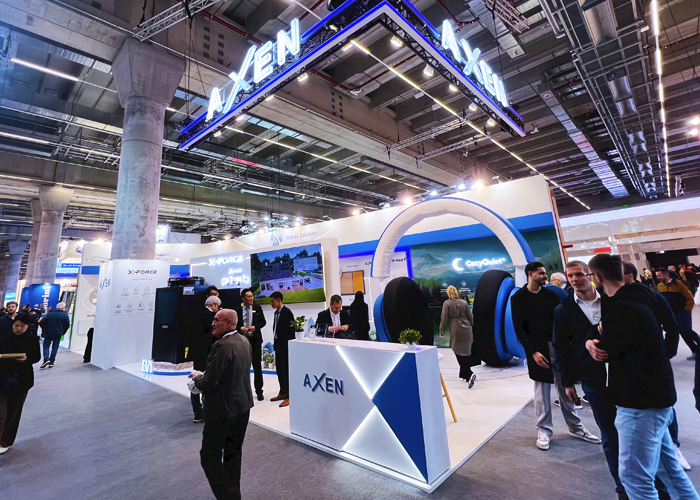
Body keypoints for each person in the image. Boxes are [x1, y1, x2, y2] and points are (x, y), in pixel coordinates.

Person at [555, 261, 676, 499]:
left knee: (644, 438)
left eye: (579, 274)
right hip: (594, 379)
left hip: (629, 376)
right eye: (570, 276)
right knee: (610, 437)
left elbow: (658, 327)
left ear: (592, 276)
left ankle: (656, 487)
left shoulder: (614, 299)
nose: (575, 279)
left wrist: (665, 355)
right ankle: (622, 489)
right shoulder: (563, 310)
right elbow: (561, 346)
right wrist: (567, 381)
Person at [587, 254, 699, 500]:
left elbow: (608, 351)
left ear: (596, 277)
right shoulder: (647, 296)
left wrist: (594, 340)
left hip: (638, 401)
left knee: (634, 477)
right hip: (657, 393)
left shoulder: (620, 308)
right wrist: (664, 356)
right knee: (669, 470)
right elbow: (670, 328)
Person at [511, 261, 601, 451]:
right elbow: (520, 328)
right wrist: (533, 352)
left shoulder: (551, 296)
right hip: (537, 351)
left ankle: (575, 427)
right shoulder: (518, 298)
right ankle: (544, 430)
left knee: (566, 388)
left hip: (558, 348)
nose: (546, 276)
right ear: (530, 274)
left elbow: (561, 324)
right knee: (542, 393)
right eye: (542, 273)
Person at [190, 309, 253, 500]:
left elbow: (209, 382)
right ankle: (234, 494)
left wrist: (197, 379)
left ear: (228, 323)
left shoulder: (222, 346)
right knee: (233, 454)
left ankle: (229, 496)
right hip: (242, 407)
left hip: (222, 411)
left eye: (216, 320)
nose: (212, 323)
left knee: (209, 456)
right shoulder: (244, 341)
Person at [0, 313, 41, 454]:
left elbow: (36, 357)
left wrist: (27, 359)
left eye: (22, 326)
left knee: (14, 412)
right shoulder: (3, 339)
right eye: (16, 325)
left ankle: (5, 441)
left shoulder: (32, 340)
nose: (18, 328)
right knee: (1, 413)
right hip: (3, 379)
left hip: (22, 381)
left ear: (27, 326)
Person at [188, 296, 221, 422]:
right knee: (207, 381)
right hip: (206, 355)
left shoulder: (197, 314)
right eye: (218, 306)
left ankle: (197, 411)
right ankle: (206, 411)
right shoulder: (209, 316)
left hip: (197, 354)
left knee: (196, 379)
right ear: (213, 304)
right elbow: (210, 337)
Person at [656, 268, 700, 360]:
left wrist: (686, 309)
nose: (657, 277)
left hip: (683, 311)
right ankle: (695, 350)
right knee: (682, 332)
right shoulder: (660, 286)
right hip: (672, 312)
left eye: (659, 275)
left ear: (666, 275)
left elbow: (689, 297)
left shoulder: (678, 284)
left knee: (685, 330)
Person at [439, 285, 476, 387]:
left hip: (456, 329)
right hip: (467, 328)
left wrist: (442, 330)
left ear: (448, 293)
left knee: (457, 350)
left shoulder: (447, 303)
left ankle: (469, 373)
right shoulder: (464, 302)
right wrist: (471, 326)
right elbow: (470, 316)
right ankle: (464, 374)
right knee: (465, 351)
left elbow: (444, 318)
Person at [236, 289, 266, 401]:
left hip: (255, 341)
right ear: (243, 299)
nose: (251, 298)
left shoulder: (257, 308)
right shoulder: (238, 311)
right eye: (248, 297)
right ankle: (244, 391)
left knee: (257, 366)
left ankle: (259, 391)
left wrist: (255, 327)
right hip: (242, 342)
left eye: (252, 296)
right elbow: (235, 324)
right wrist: (240, 328)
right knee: (243, 367)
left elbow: (263, 322)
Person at [270, 291, 294, 408]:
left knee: (286, 371)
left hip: (285, 346)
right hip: (278, 345)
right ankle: (282, 392)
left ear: (279, 300)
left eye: (272, 301)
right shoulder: (276, 313)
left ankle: (289, 395)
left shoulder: (287, 312)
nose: (271, 303)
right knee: (279, 370)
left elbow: (292, 331)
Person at [39, 302, 70, 368]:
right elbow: (67, 324)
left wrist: (45, 328)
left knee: (46, 346)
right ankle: (51, 361)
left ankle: (46, 359)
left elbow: (42, 322)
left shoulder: (50, 313)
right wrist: (63, 331)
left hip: (48, 332)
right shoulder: (64, 315)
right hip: (58, 333)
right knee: (55, 347)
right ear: (62, 308)